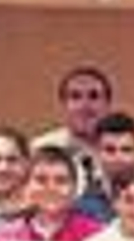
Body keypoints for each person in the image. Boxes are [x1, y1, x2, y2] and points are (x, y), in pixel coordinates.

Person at [33, 64, 113, 195]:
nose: (84, 105)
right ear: (63, 105)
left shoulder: (133, 154)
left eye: (94, 96)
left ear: (108, 104)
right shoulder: (39, 150)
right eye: (75, 97)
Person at [72, 112, 134, 224]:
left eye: (126, 150)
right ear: (96, 152)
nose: (118, 158)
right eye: (110, 150)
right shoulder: (82, 207)